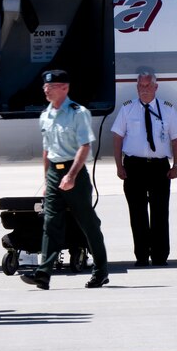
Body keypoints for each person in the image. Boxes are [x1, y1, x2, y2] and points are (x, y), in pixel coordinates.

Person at [20, 70, 110, 290]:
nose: (45, 89)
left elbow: (85, 146)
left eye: (51, 86)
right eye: (45, 87)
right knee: (50, 222)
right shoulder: (45, 114)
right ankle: (44, 274)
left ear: (64, 88)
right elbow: (46, 149)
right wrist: (46, 180)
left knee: (87, 224)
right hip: (54, 173)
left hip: (74, 172)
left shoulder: (78, 113)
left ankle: (100, 271)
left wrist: (71, 175)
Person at [111, 71, 177, 266]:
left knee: (160, 213)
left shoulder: (167, 110)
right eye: (140, 86)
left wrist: (176, 165)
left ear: (155, 87)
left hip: (159, 167)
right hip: (134, 167)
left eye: (147, 86)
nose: (143, 90)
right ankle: (142, 256)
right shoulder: (127, 109)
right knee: (137, 214)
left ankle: (160, 256)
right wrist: (119, 166)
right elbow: (117, 138)